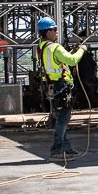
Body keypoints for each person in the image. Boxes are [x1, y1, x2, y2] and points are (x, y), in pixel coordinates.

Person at [35, 17, 87, 159]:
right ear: (47, 32)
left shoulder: (41, 47)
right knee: (63, 119)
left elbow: (57, 61)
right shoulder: (55, 47)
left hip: (51, 85)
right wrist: (81, 50)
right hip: (61, 86)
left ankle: (66, 147)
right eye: (54, 30)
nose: (57, 32)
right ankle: (57, 150)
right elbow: (72, 60)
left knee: (63, 117)